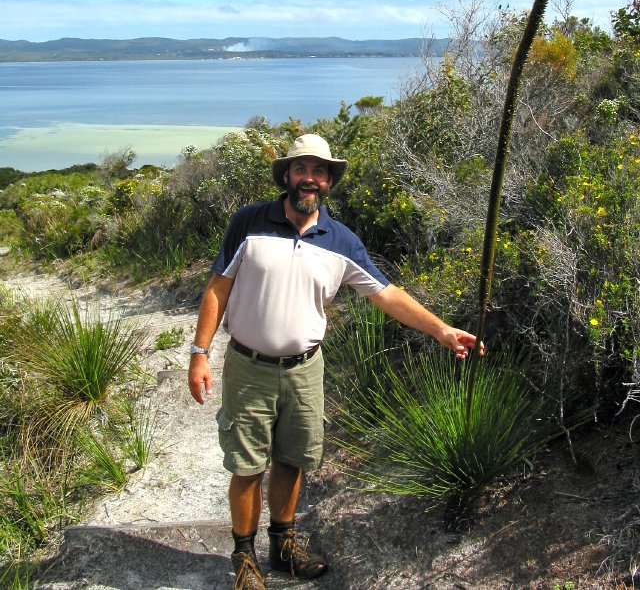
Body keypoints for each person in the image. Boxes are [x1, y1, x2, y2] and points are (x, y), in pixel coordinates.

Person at [188, 134, 482, 590]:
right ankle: (244, 558)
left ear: (328, 182)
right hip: (249, 367)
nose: (310, 179)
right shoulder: (248, 223)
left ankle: (283, 546)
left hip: (306, 369)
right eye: (302, 169)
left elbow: (388, 295)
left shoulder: (341, 241)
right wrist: (199, 352)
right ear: (287, 175)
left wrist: (440, 329)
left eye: (319, 171)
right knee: (247, 467)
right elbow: (218, 288)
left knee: (292, 458)